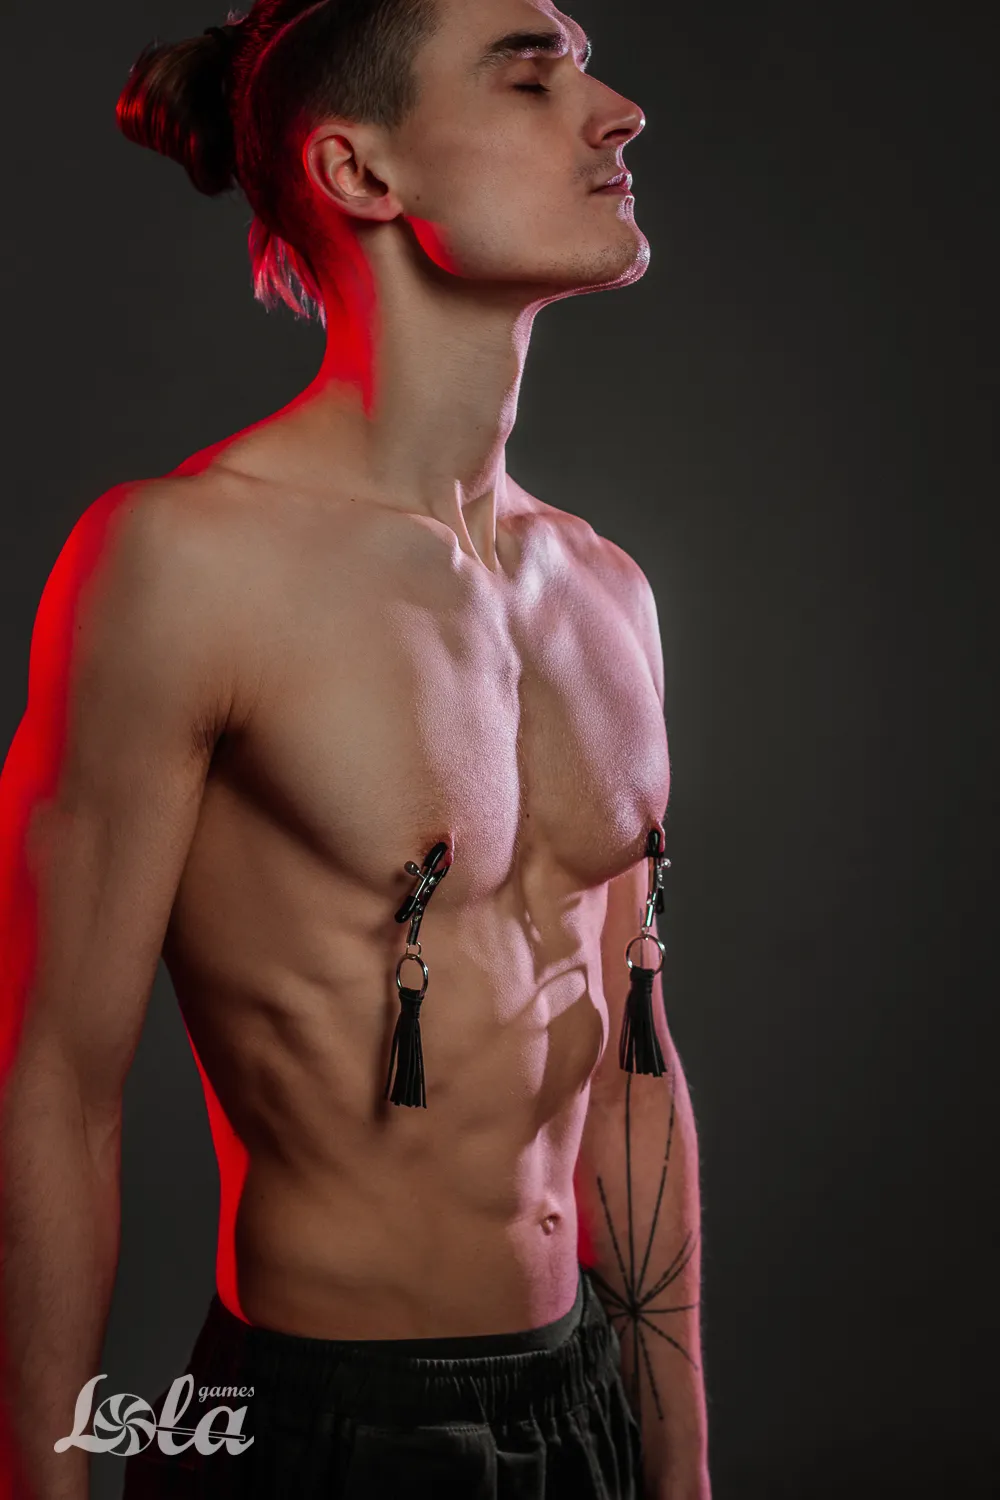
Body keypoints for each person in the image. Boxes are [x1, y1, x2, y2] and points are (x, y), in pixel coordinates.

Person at [0, 0, 711, 1495]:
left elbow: (629, 1079)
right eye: (531, 79)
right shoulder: (183, 564)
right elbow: (54, 1088)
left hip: (580, 1397)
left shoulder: (605, 589)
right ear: (359, 171)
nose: (617, 112)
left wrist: (678, 1464)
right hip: (322, 1427)